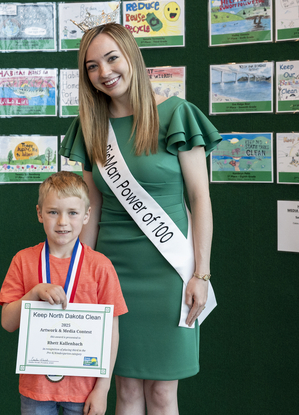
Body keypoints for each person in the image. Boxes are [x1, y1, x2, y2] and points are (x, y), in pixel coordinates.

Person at [60, 23, 221, 415]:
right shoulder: (91, 126)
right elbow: (91, 206)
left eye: (111, 58)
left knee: (163, 393)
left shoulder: (177, 114)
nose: (104, 72)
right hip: (113, 271)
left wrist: (201, 274)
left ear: (131, 56)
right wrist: (81, 274)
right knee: (127, 390)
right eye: (92, 66)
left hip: (170, 271)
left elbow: (200, 199)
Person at [0, 171, 128, 415]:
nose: (62, 222)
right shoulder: (23, 260)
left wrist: (103, 389)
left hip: (84, 390)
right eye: (53, 212)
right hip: (36, 389)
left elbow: (111, 332)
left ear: (87, 215)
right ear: (39, 213)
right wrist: (33, 294)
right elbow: (7, 322)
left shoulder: (100, 266)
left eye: (73, 213)